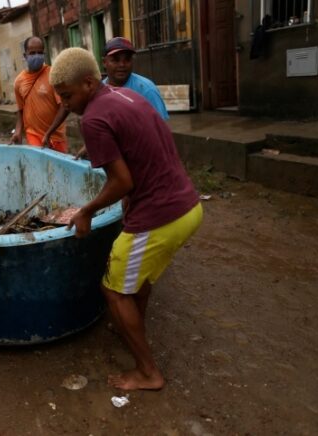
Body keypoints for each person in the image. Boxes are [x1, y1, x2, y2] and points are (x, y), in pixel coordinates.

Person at [50, 48, 202, 391]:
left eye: (68, 95)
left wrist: (85, 211)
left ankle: (148, 372)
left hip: (161, 215)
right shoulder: (126, 95)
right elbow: (151, 152)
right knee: (138, 277)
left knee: (112, 290)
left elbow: (122, 181)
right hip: (188, 206)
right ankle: (133, 330)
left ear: (89, 83)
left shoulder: (93, 119)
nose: (66, 104)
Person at [9, 36, 69, 153]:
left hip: (56, 136)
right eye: (32, 53)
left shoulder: (53, 75)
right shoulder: (19, 82)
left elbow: (64, 106)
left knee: (58, 169)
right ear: (25, 56)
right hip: (33, 135)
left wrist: (49, 132)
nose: (36, 56)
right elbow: (21, 111)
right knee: (39, 167)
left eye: (40, 52)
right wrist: (17, 131)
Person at [102, 37, 169, 120]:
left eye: (127, 59)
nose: (122, 64)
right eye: (115, 60)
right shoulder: (99, 90)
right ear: (104, 62)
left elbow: (160, 128)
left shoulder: (147, 90)